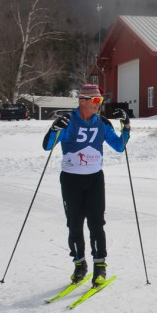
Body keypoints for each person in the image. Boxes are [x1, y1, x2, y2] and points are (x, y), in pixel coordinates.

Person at [42, 83, 130, 286]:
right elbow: (47, 146)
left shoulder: (102, 123)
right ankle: (79, 264)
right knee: (74, 224)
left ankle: (100, 267)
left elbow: (118, 146)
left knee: (96, 223)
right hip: (71, 180)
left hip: (94, 180)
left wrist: (126, 128)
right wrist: (54, 128)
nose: (99, 105)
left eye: (100, 100)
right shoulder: (68, 122)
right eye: (96, 101)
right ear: (83, 101)